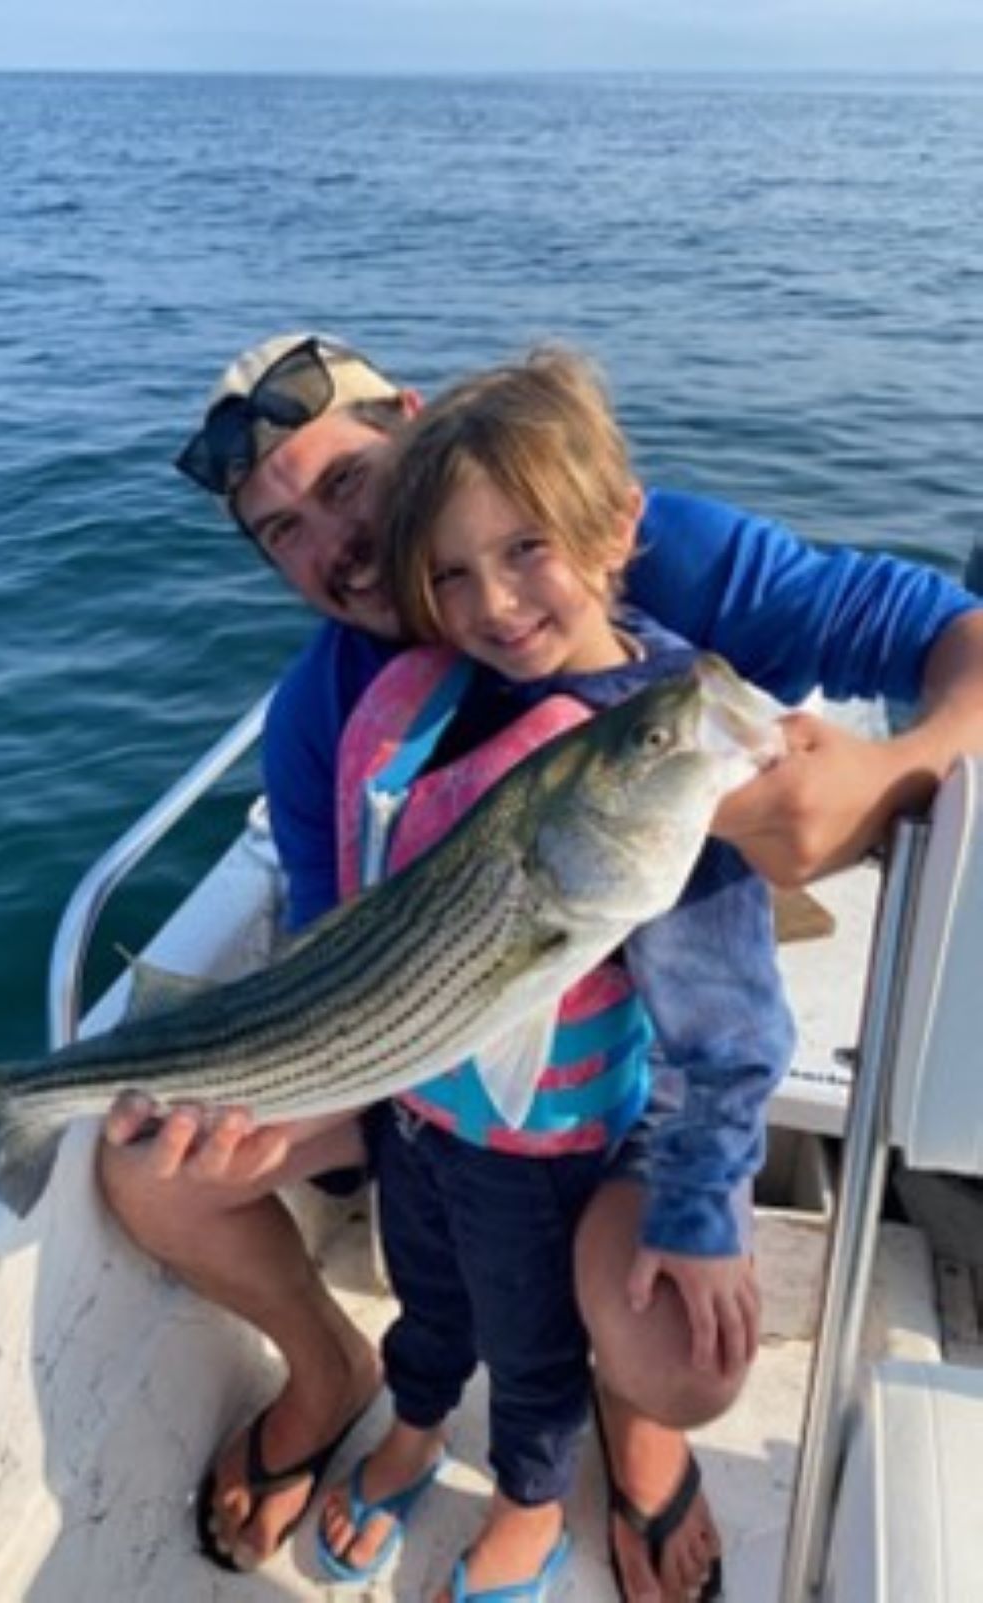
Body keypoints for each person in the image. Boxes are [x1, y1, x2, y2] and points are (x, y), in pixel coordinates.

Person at [98, 332, 983, 1602]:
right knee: (155, 1173)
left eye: (346, 483)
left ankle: (628, 1420)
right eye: (284, 531)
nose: (341, 544)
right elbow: (352, 963)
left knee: (675, 1348)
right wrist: (279, 1098)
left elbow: (953, 635)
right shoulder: (325, 711)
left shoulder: (633, 559)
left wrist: (888, 777)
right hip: (427, 1072)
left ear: (413, 424)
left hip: (627, 1089)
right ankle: (336, 1372)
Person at [314, 348, 791, 1602]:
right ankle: (416, 1424)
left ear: (617, 526)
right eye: (453, 573)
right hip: (416, 1107)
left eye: (526, 548)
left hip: (540, 1147)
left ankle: (529, 1499)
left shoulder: (666, 757)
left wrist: (700, 1209)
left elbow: (728, 1023)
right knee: (426, 1297)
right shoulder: (439, 695)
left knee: (531, 1343)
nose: (494, 600)